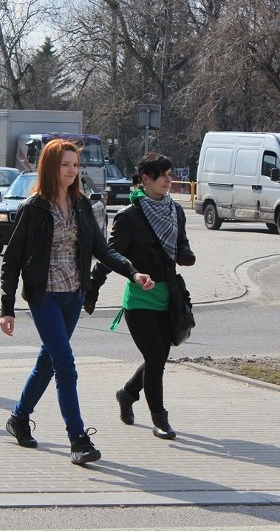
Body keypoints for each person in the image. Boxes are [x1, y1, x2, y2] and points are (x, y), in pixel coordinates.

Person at [0, 138, 154, 465]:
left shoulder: (83, 205)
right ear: (50, 168)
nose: (71, 171)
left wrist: (133, 273)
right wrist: (7, 308)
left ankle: (18, 417)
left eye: (75, 166)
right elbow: (11, 261)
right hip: (45, 297)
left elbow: (103, 249)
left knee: (49, 361)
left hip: (74, 296)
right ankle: (78, 439)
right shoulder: (33, 208)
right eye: (65, 165)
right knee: (65, 365)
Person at [85, 153, 196, 441]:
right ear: (145, 179)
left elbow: (181, 243)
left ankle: (127, 393)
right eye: (162, 175)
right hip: (139, 300)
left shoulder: (175, 211)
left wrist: (185, 254)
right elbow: (110, 257)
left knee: (155, 360)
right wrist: (92, 288)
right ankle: (160, 419)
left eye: (170, 174)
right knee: (156, 358)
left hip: (168, 298)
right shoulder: (129, 217)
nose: (168, 180)